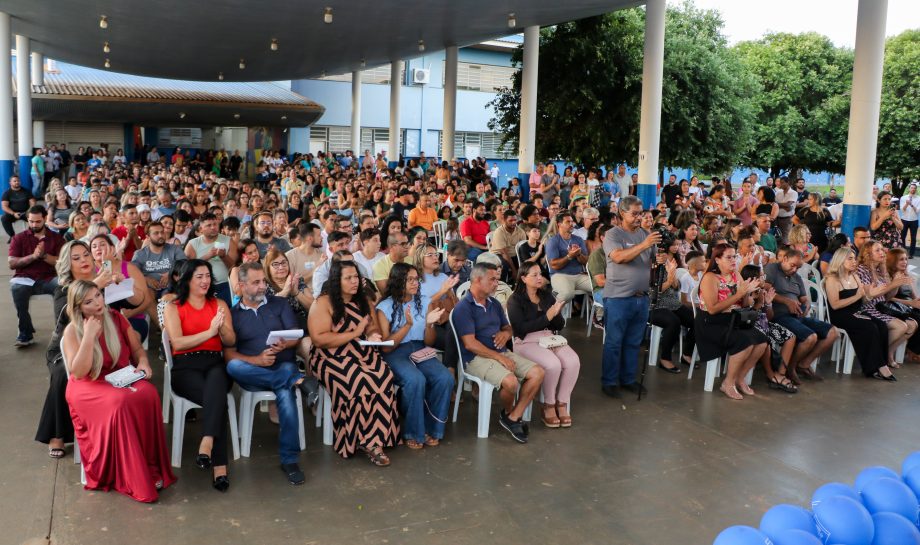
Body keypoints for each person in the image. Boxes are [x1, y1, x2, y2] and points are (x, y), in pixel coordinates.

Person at [60, 279, 175, 502]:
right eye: (88, 301)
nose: (97, 303)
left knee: (149, 393)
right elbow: (79, 371)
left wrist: (143, 362)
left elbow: (137, 349)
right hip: (88, 385)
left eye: (98, 296)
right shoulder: (73, 330)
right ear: (78, 308)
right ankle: (129, 474)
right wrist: (90, 336)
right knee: (119, 402)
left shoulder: (116, 317)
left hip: (119, 376)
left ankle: (149, 465)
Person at [226, 262, 316, 485]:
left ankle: (289, 460)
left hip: (282, 365)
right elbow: (229, 355)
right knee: (233, 367)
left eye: (263, 282)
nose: (262, 287)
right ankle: (300, 380)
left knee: (285, 395)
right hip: (252, 373)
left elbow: (296, 337)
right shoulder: (233, 314)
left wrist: (284, 345)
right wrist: (256, 360)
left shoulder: (279, 304)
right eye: (255, 283)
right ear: (241, 286)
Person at [308, 261, 399, 465]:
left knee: (383, 376)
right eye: (348, 278)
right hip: (329, 357)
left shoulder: (363, 301)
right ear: (336, 281)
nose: (354, 281)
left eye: (356, 277)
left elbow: (372, 327)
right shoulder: (322, 303)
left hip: (361, 353)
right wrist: (355, 333)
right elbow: (319, 339)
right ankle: (358, 439)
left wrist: (373, 335)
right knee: (356, 380)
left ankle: (375, 439)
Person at [162, 259, 236, 491]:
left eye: (207, 276)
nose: (205, 281)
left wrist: (221, 329)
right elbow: (179, 343)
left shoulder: (219, 303)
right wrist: (210, 331)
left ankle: (207, 441)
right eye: (199, 277)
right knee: (218, 400)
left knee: (217, 378)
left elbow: (232, 341)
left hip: (215, 362)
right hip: (186, 367)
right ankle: (219, 466)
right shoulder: (173, 306)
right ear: (187, 280)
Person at [452, 262, 545, 443]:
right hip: (475, 359)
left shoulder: (493, 303)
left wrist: (505, 333)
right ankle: (510, 413)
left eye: (497, 279)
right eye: (492, 279)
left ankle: (511, 417)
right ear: (477, 280)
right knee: (510, 382)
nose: (497, 283)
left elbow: (508, 328)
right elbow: (470, 344)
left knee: (538, 373)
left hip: (500, 352)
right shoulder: (464, 308)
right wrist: (499, 357)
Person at [376, 263, 454, 449]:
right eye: (409, 279)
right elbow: (385, 348)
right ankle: (413, 432)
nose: (415, 283)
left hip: (419, 348)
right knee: (415, 380)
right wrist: (407, 325)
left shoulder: (424, 301)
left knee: (445, 378)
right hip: (396, 352)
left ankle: (433, 428)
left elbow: (429, 342)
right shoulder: (384, 307)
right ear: (397, 281)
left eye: (416, 279)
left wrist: (429, 325)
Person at [506, 263, 579, 428]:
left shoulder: (546, 296)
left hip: (549, 338)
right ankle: (548, 404)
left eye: (540, 274)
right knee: (553, 364)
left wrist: (557, 313)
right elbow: (521, 329)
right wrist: (548, 316)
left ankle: (562, 402)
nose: (540, 278)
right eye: (534, 275)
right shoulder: (515, 300)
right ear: (523, 278)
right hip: (525, 341)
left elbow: (558, 325)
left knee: (573, 361)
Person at [601, 197, 659, 397]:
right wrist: (645, 244)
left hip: (641, 297)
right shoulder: (613, 234)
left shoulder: (646, 234)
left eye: (640, 213)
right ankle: (609, 382)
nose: (638, 217)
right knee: (614, 342)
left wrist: (660, 259)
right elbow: (618, 257)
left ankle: (627, 379)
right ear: (621, 214)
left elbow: (653, 260)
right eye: (634, 213)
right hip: (618, 297)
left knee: (634, 342)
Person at [696, 243, 769, 399]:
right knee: (745, 341)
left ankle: (740, 378)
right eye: (728, 257)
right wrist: (739, 294)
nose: (733, 260)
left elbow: (745, 305)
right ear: (717, 260)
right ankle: (727, 383)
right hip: (711, 323)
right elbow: (713, 309)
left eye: (734, 256)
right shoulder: (710, 278)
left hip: (733, 320)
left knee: (762, 340)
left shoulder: (736, 274)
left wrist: (748, 294)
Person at [764, 249, 838, 383]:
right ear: (784, 259)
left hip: (797, 316)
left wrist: (806, 305)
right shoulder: (772, 269)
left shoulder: (796, 277)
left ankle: (802, 365)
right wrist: (787, 301)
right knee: (810, 337)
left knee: (833, 332)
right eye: (792, 265)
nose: (794, 270)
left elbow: (804, 298)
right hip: (779, 315)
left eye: (798, 267)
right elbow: (765, 290)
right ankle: (790, 369)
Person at [825, 248, 896, 380]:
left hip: (856, 311)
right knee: (869, 327)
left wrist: (871, 295)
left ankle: (880, 364)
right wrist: (857, 296)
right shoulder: (832, 279)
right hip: (840, 314)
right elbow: (835, 305)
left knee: (881, 325)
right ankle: (876, 367)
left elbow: (862, 299)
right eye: (850, 258)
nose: (854, 261)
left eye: (854, 258)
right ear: (840, 260)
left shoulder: (854, 276)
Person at [9, 205, 64, 347]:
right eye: (31, 221)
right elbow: (12, 263)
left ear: (45, 219)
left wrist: (44, 255)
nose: (34, 225)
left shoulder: (56, 238)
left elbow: (61, 262)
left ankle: (62, 332)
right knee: (17, 289)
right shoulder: (18, 238)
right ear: (27, 219)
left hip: (49, 277)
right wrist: (33, 257)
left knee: (64, 287)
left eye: (38, 221)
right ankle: (25, 333)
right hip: (25, 278)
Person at [856, 240, 916, 368]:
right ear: (868, 253)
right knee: (901, 327)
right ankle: (879, 354)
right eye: (877, 250)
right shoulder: (861, 270)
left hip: (882, 306)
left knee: (912, 325)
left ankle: (888, 352)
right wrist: (893, 284)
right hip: (867, 308)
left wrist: (896, 283)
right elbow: (869, 296)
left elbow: (888, 297)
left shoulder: (880, 269)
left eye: (882, 249)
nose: (882, 252)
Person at [648, 237, 695, 373]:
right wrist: (669, 280)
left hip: (671, 302)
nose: (663, 256)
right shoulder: (650, 266)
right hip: (654, 305)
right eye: (660, 253)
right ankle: (665, 358)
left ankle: (686, 353)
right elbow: (653, 293)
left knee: (695, 320)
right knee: (673, 322)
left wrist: (673, 277)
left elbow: (676, 287)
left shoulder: (670, 262)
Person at [184, 212, 237, 306]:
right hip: (200, 286)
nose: (213, 227)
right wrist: (207, 256)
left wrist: (224, 256)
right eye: (209, 225)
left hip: (225, 285)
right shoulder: (192, 244)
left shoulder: (228, 240)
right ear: (201, 229)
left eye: (215, 224)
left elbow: (234, 267)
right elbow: (187, 269)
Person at [545, 211, 592, 304]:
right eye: (568, 222)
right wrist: (569, 256)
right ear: (559, 224)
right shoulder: (553, 241)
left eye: (572, 222)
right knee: (567, 294)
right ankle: (551, 311)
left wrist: (578, 254)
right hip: (559, 275)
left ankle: (599, 314)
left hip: (578, 275)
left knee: (601, 286)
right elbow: (554, 265)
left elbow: (587, 262)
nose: (571, 224)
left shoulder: (578, 239)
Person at [2, 176, 36, 241]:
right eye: (14, 181)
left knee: (35, 217)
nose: (17, 182)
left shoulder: (26, 191)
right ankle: (12, 236)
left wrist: (29, 211)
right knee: (4, 218)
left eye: (18, 181)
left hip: (26, 212)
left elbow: (33, 202)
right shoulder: (7, 193)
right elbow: (4, 206)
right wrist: (13, 213)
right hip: (13, 213)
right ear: (10, 183)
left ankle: (30, 234)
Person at [774, 177, 797, 243]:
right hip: (777, 218)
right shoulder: (778, 192)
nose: (780, 184)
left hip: (787, 219)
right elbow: (774, 203)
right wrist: (784, 206)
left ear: (788, 183)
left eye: (782, 183)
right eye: (780, 182)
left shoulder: (793, 193)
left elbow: (788, 205)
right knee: (777, 238)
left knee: (785, 239)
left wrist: (778, 205)